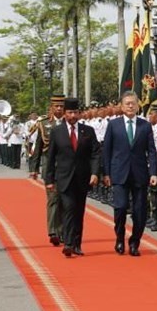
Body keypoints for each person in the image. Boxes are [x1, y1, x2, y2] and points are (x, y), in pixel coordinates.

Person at [103, 91, 157, 257]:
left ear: (138, 105)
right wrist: (106, 173)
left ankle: (134, 242)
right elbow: (107, 150)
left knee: (140, 212)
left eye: (133, 103)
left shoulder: (145, 125)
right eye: (127, 103)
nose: (130, 106)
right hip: (119, 173)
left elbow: (152, 151)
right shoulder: (114, 125)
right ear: (121, 106)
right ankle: (119, 237)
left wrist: (153, 172)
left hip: (140, 174)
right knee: (120, 208)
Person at [45, 98, 100, 258]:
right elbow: (51, 157)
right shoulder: (57, 131)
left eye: (75, 112)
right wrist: (49, 180)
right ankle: (68, 243)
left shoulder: (88, 131)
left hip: (82, 178)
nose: (73, 115)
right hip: (64, 178)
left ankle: (76, 244)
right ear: (65, 114)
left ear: (79, 113)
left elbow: (95, 153)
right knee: (68, 208)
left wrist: (95, 173)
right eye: (70, 112)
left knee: (78, 211)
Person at [30, 94, 66, 246]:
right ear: (51, 107)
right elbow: (38, 147)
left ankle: (63, 232)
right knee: (53, 199)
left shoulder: (70, 122)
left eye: (61, 106)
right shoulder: (43, 124)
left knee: (65, 201)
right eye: (56, 106)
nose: (59, 109)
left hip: (66, 167)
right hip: (49, 167)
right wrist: (34, 168)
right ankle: (53, 231)